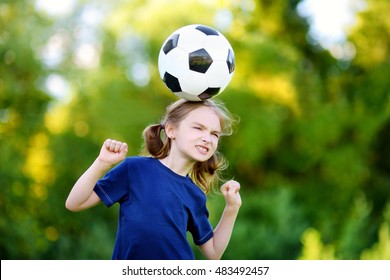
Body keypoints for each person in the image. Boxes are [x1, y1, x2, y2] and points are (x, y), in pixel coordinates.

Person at [65, 98, 241, 260]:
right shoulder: (134, 170)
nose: (207, 138)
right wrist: (101, 163)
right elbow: (74, 203)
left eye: (214, 134)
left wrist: (232, 208)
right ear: (171, 130)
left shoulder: (195, 195)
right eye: (198, 128)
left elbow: (213, 253)